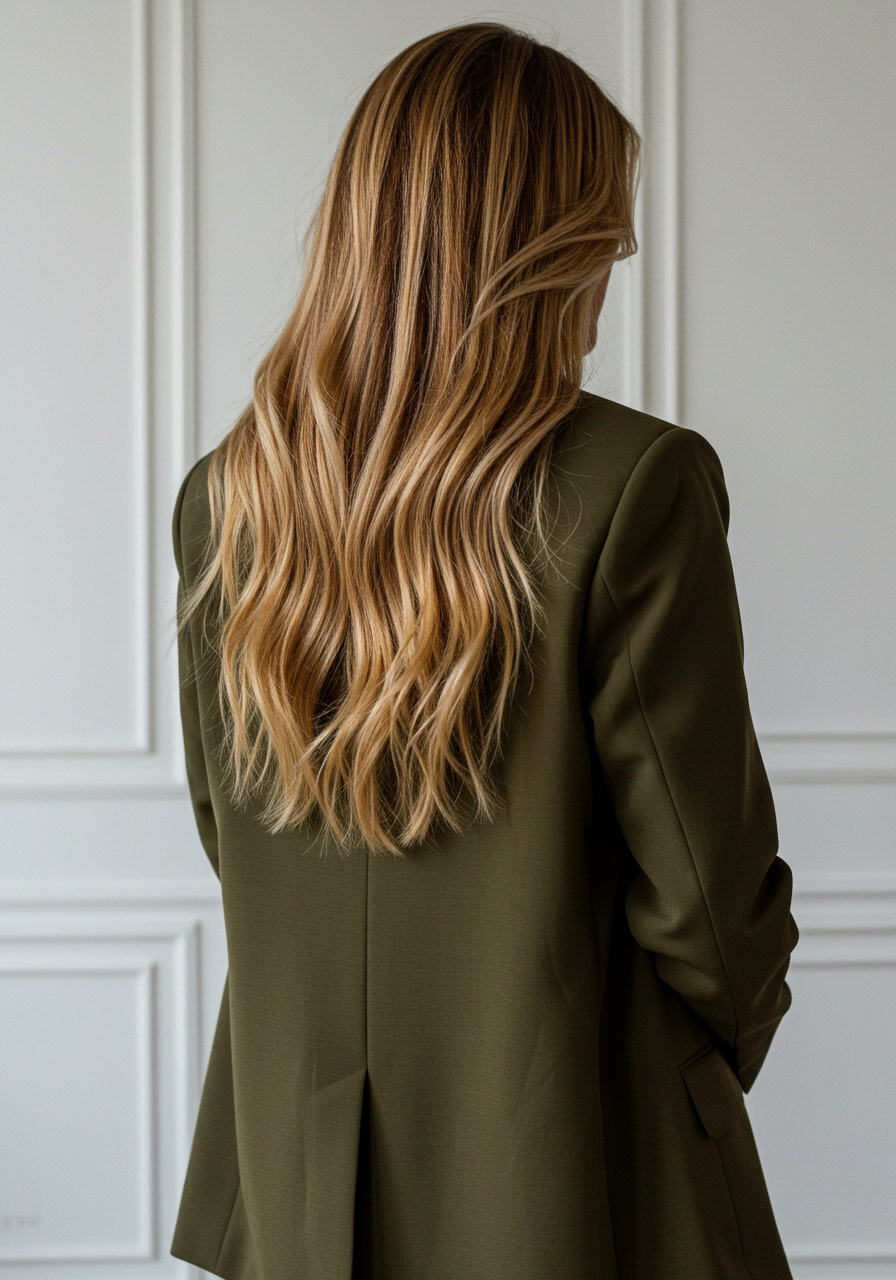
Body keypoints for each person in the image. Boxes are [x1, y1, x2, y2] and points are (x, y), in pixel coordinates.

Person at [170, 22, 798, 1280]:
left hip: (300, 1185)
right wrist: (711, 1051)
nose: (606, 288)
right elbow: (707, 905)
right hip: (578, 1173)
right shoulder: (636, 485)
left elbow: (223, 823)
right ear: (540, 256)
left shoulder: (228, 498)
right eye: (599, 249)